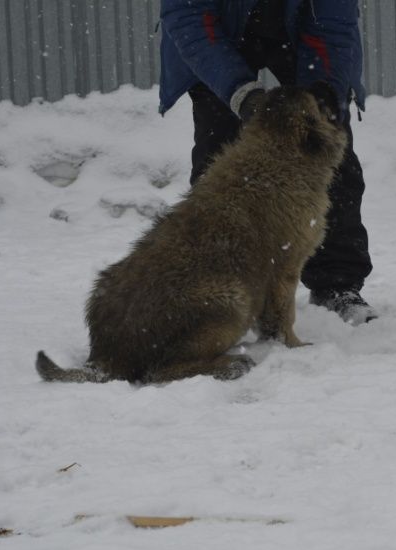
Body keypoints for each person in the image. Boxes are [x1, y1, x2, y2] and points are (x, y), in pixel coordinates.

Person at [158, 0, 376, 324]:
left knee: (329, 154)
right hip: (217, 36)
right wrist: (240, 92)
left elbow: (333, 25)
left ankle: (336, 284)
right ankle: (214, 286)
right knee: (217, 161)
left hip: (300, 29)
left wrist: (322, 98)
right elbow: (189, 17)